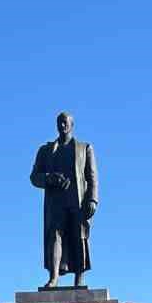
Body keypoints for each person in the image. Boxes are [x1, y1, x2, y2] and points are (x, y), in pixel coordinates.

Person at [29, 111, 99, 289]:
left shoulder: (84, 148)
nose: (62, 125)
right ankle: (53, 278)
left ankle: (79, 279)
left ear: (72, 125)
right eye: (59, 122)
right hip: (56, 203)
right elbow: (34, 177)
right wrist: (50, 178)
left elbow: (92, 177)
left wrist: (93, 199)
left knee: (79, 237)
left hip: (78, 201)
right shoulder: (46, 150)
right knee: (54, 237)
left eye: (65, 122)